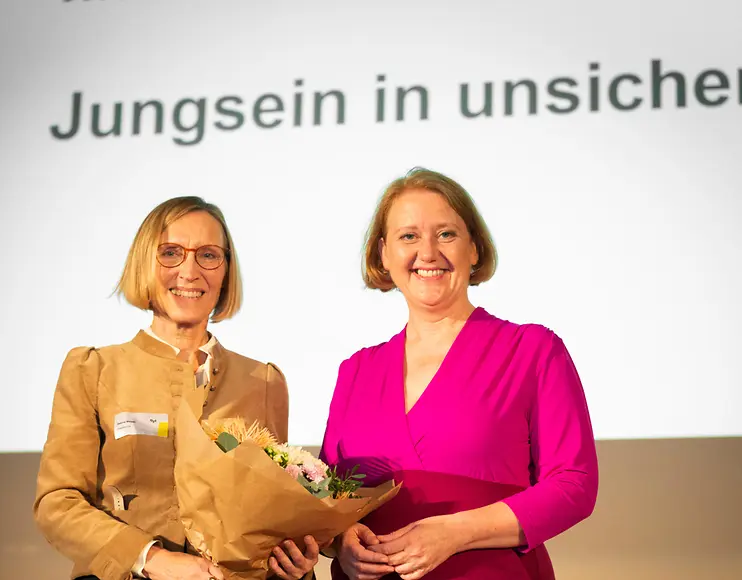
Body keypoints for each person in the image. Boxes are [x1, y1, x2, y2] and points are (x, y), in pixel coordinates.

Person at [320, 169, 598, 580]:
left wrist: (456, 533)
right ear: (383, 254)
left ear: (474, 249)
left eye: (446, 234)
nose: (428, 252)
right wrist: (341, 541)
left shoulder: (532, 350)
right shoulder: (356, 371)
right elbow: (325, 499)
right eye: (408, 236)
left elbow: (574, 484)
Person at [34, 197, 320, 580]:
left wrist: (294, 566)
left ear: (226, 272)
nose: (189, 271)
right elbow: (58, 503)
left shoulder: (264, 381)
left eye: (208, 255)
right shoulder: (94, 369)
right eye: (170, 253)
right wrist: (150, 558)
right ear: (144, 264)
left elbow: (271, 513)